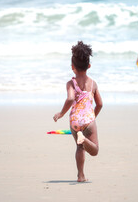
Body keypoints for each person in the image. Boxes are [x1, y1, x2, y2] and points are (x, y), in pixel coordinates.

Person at [53, 41, 103, 182]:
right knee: (95, 150)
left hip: (74, 121)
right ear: (89, 66)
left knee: (79, 148)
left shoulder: (71, 83)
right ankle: (85, 139)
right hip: (88, 120)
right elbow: (100, 104)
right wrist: (92, 117)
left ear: (72, 67)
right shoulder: (93, 84)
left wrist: (61, 113)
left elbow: (70, 99)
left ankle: (80, 175)